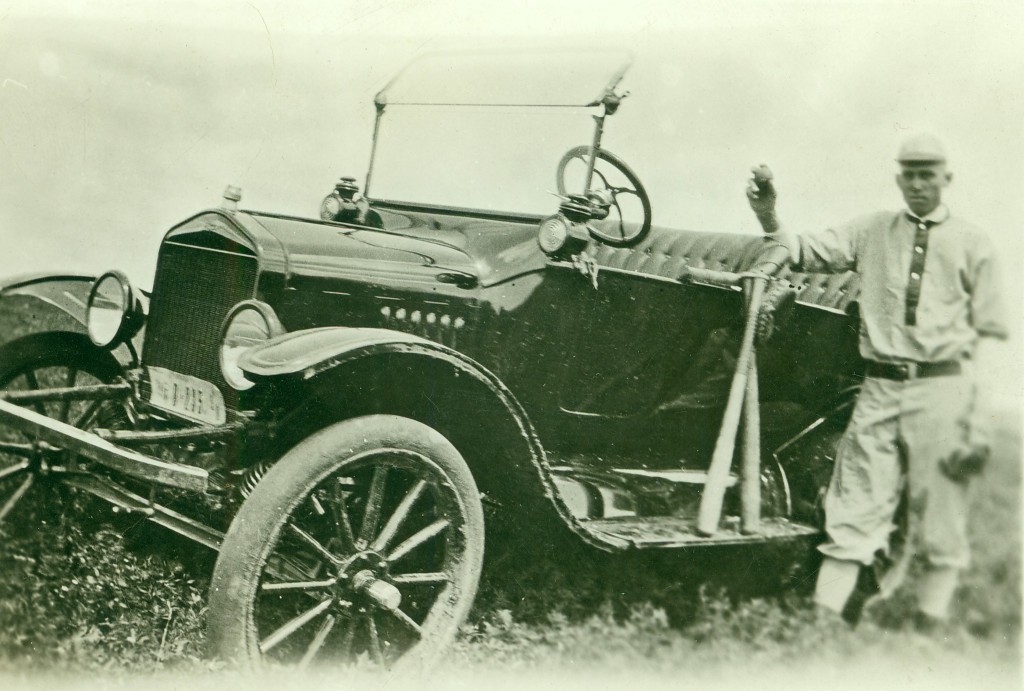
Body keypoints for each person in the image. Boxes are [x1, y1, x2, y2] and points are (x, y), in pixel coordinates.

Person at [745, 134, 1009, 630]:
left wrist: (978, 420)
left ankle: (929, 632)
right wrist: (769, 215)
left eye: (927, 174)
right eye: (909, 174)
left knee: (942, 516)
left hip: (944, 391)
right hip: (880, 388)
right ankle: (823, 630)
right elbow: (798, 250)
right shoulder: (871, 231)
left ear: (945, 178)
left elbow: (991, 338)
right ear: (898, 179)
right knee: (853, 509)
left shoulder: (974, 244)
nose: (918, 184)